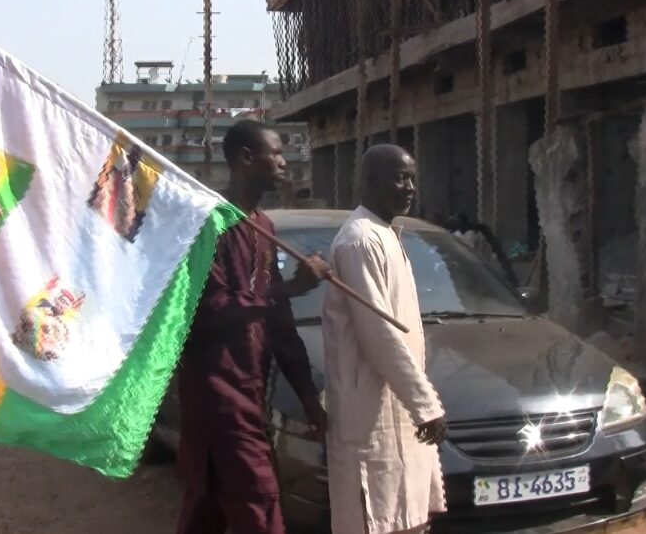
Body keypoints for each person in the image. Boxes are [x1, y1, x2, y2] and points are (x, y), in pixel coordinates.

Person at [177, 120, 329, 534]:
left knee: (207, 506)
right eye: (275, 153)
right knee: (259, 502)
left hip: (250, 389)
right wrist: (292, 287)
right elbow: (212, 308)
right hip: (217, 392)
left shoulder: (263, 227)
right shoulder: (212, 225)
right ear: (246, 158)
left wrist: (307, 396)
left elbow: (278, 322)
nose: (284, 162)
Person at [322, 144, 447, 534]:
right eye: (399, 178)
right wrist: (425, 404)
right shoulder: (359, 241)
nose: (409, 188)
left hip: (398, 411)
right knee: (376, 515)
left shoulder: (386, 235)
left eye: (412, 179)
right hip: (370, 415)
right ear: (369, 182)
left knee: (409, 515)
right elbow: (379, 334)